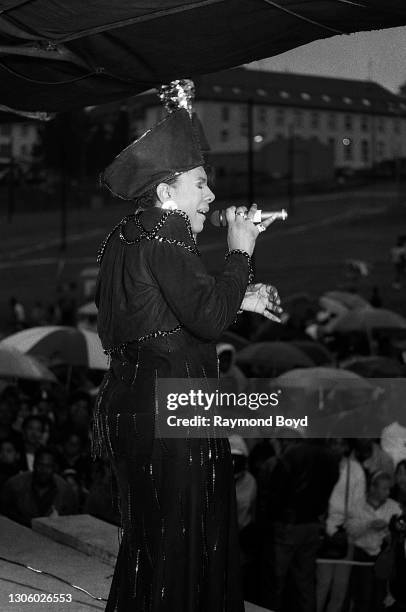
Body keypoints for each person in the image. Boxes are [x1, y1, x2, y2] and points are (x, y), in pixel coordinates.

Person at [92, 108, 282, 612]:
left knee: (152, 544)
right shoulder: (166, 230)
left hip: (135, 404)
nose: (211, 196)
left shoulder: (125, 236)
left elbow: (160, 314)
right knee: (185, 538)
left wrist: (241, 298)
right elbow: (205, 321)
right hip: (172, 409)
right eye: (201, 184)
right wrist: (241, 252)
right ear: (165, 191)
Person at [347, 471, 402, 612]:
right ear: (373, 488)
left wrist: (389, 533)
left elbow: (400, 532)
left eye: (389, 488)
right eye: (384, 488)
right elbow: (350, 530)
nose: (388, 492)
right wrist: (368, 525)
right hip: (360, 557)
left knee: (380, 598)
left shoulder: (394, 507)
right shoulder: (357, 504)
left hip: (383, 558)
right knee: (362, 598)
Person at [0, 446, 78, 527]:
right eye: (40, 465)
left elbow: (71, 523)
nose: (44, 470)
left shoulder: (65, 492)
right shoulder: (14, 486)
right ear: (34, 464)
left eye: (48, 466)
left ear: (55, 467)